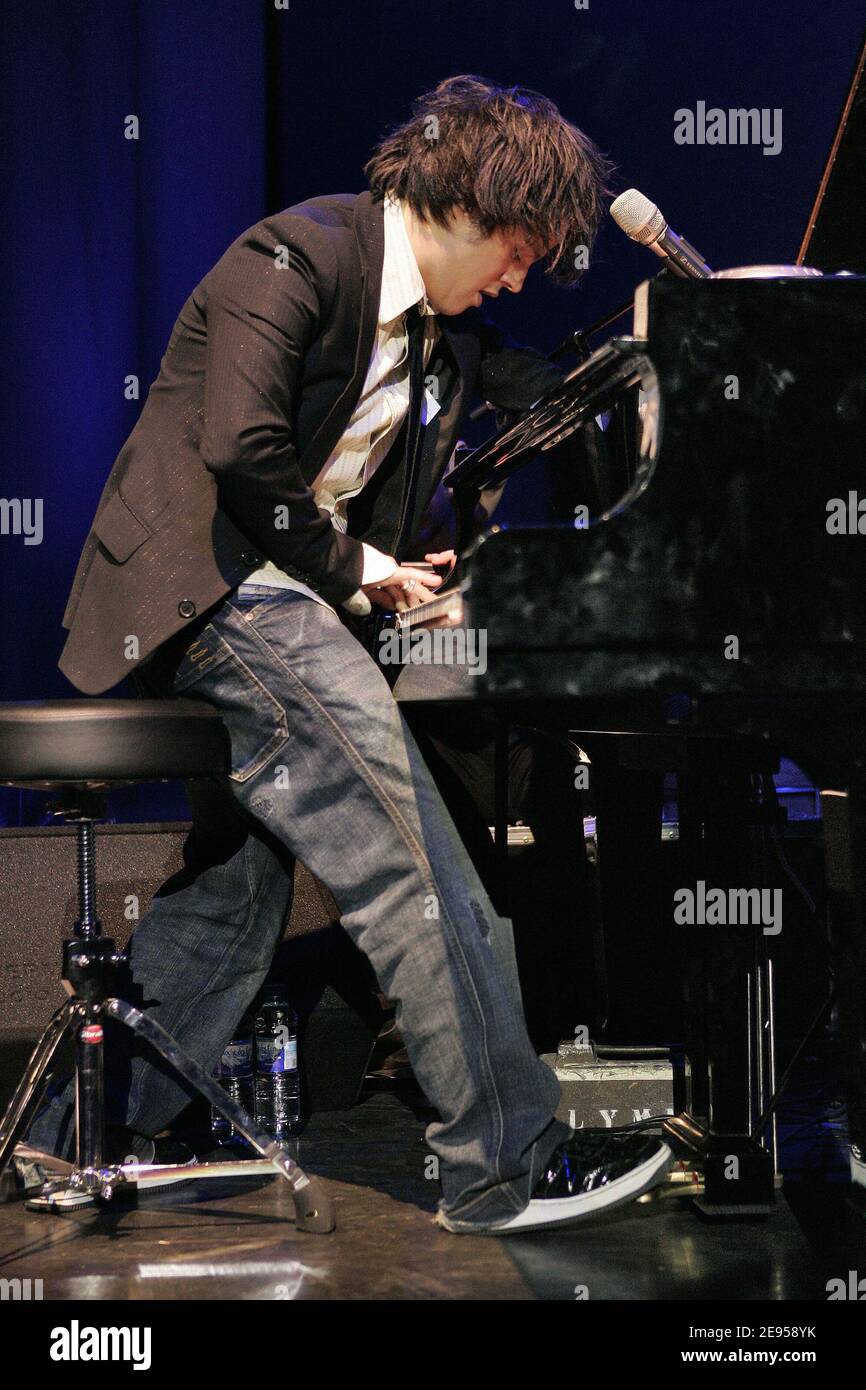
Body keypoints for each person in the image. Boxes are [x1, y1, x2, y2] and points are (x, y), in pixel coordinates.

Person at [25, 75, 671, 1232]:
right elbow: (242, 450)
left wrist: (663, 347)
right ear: (467, 201)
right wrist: (358, 569)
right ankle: (500, 1166)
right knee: (414, 864)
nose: (518, 277)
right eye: (519, 250)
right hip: (213, 596)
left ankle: (64, 1138)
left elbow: (550, 395)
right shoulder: (293, 254)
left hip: (284, 605)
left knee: (237, 890)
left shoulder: (437, 337)